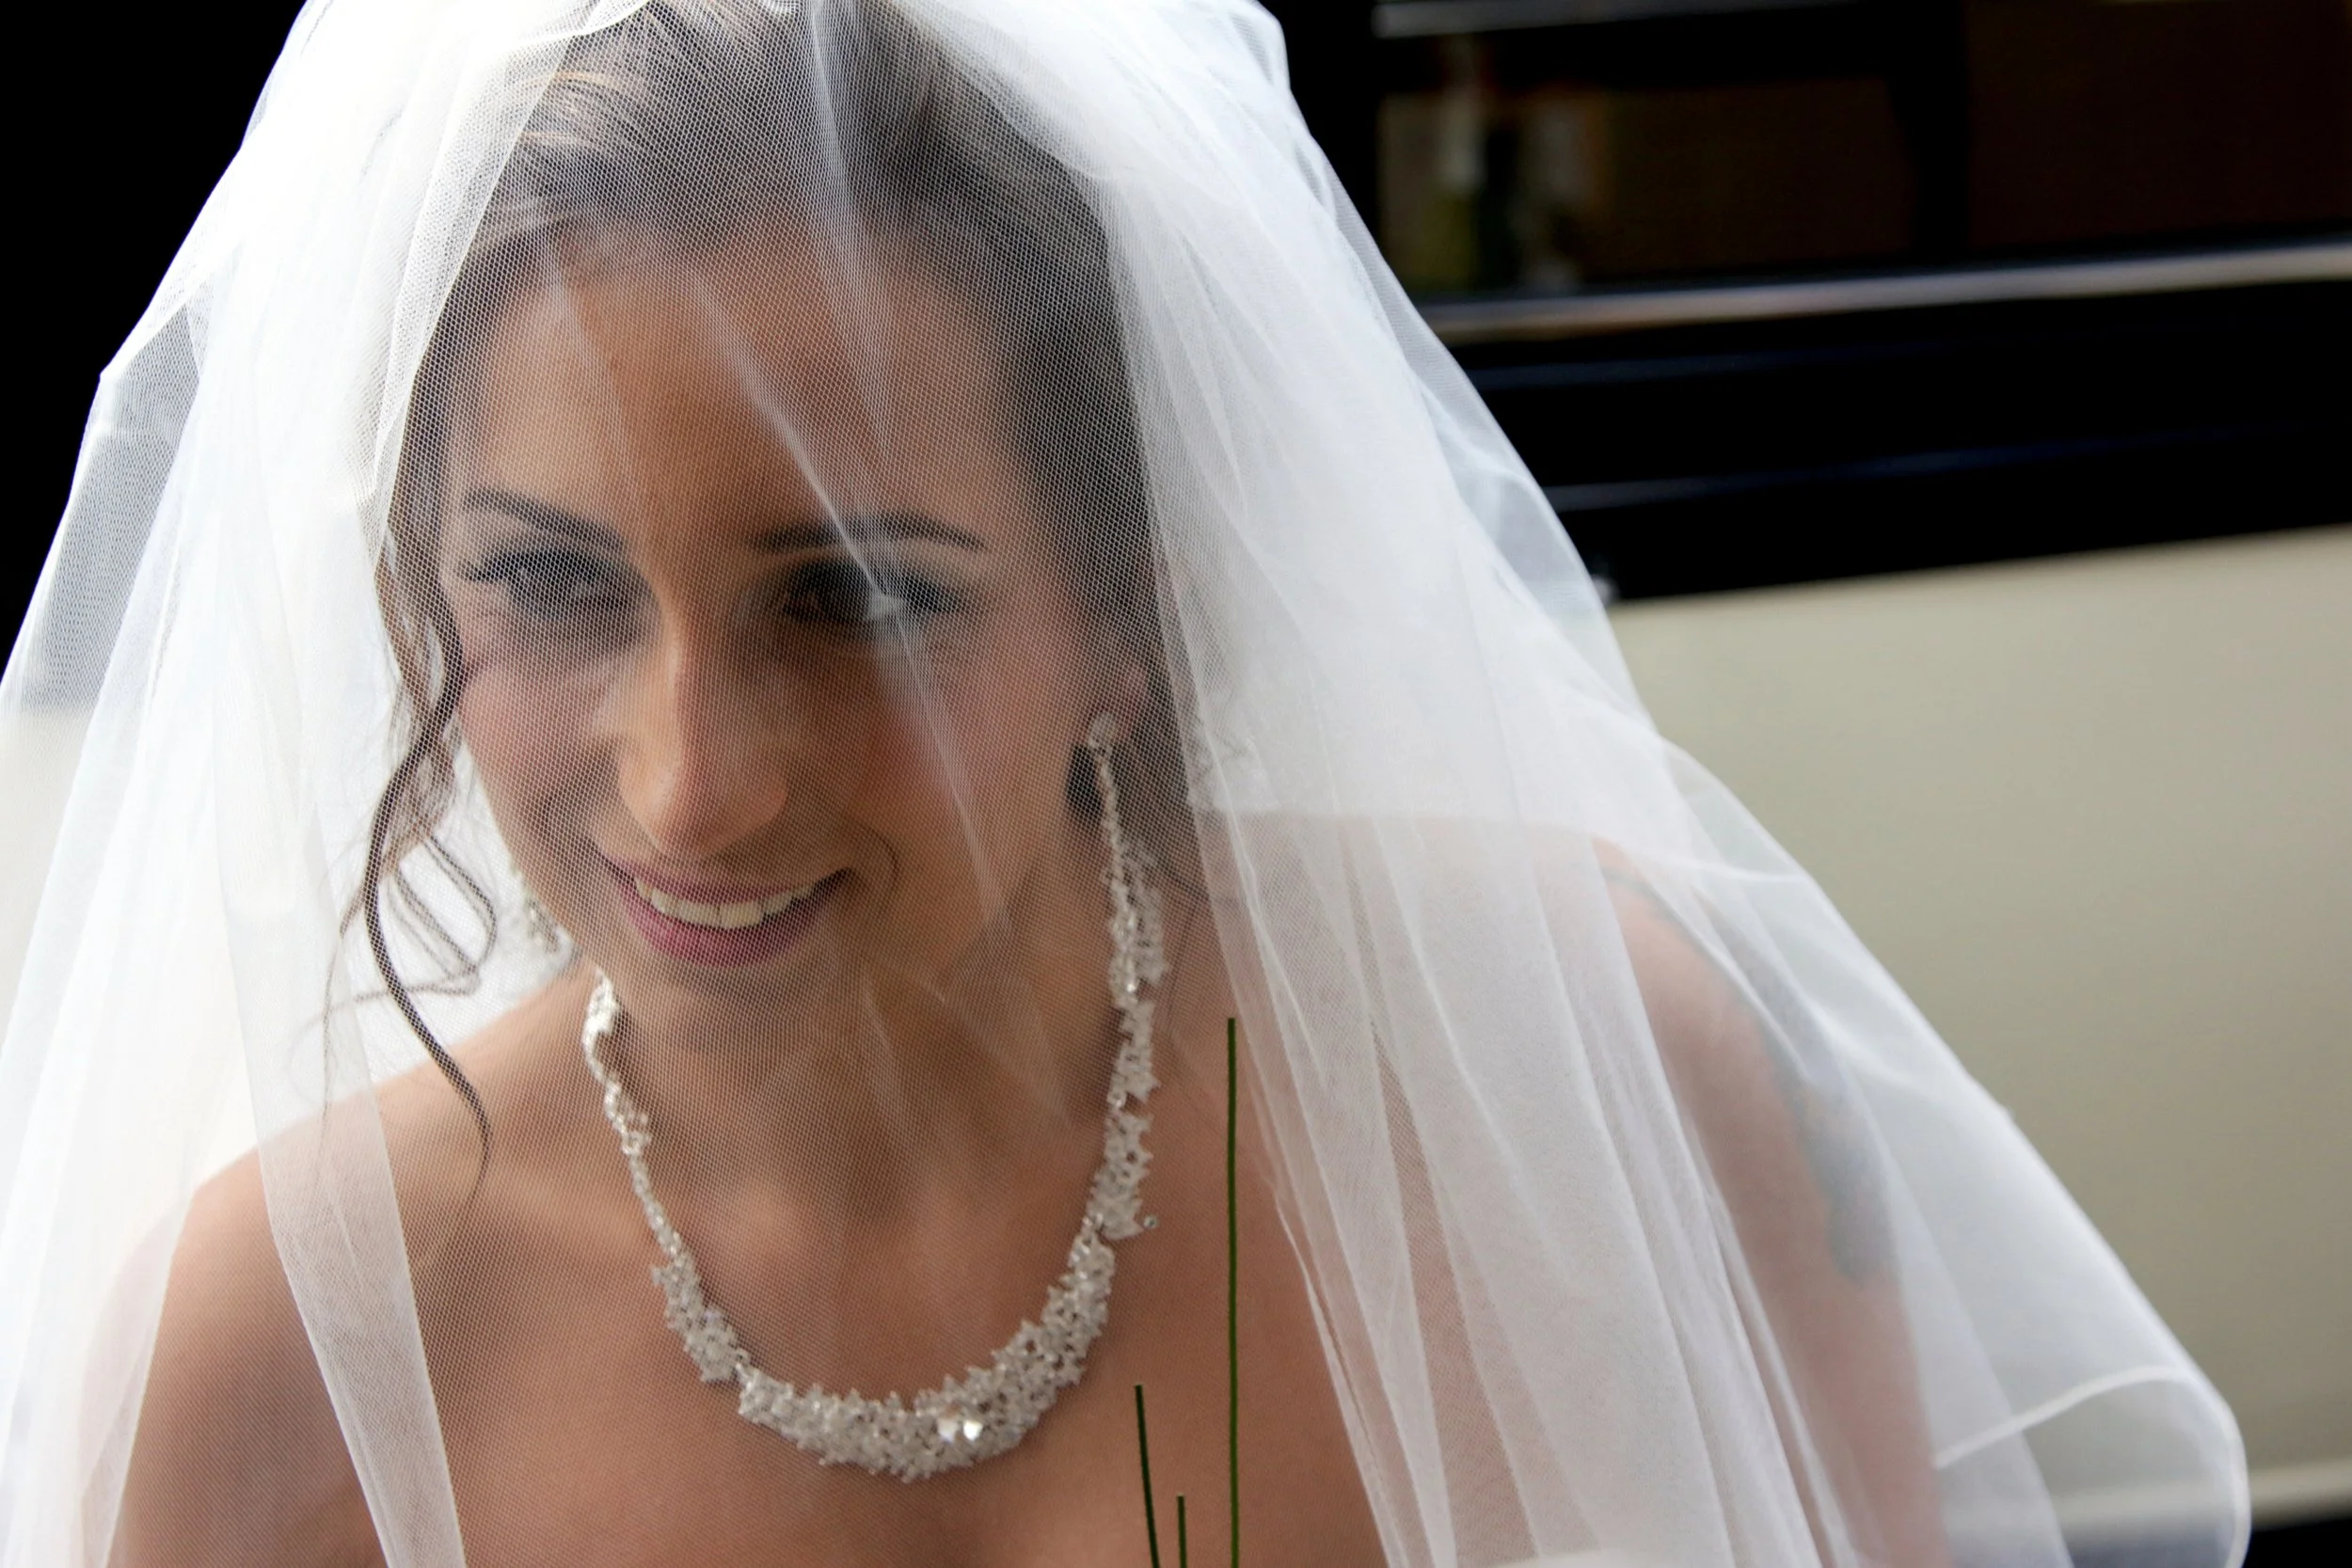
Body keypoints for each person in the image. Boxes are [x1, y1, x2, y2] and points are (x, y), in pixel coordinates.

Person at [0, 3, 2246, 1564]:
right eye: (553, 585)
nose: (685, 786)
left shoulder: (1588, 1060)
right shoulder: (277, 1349)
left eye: (855, 598)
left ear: (1126, 613)